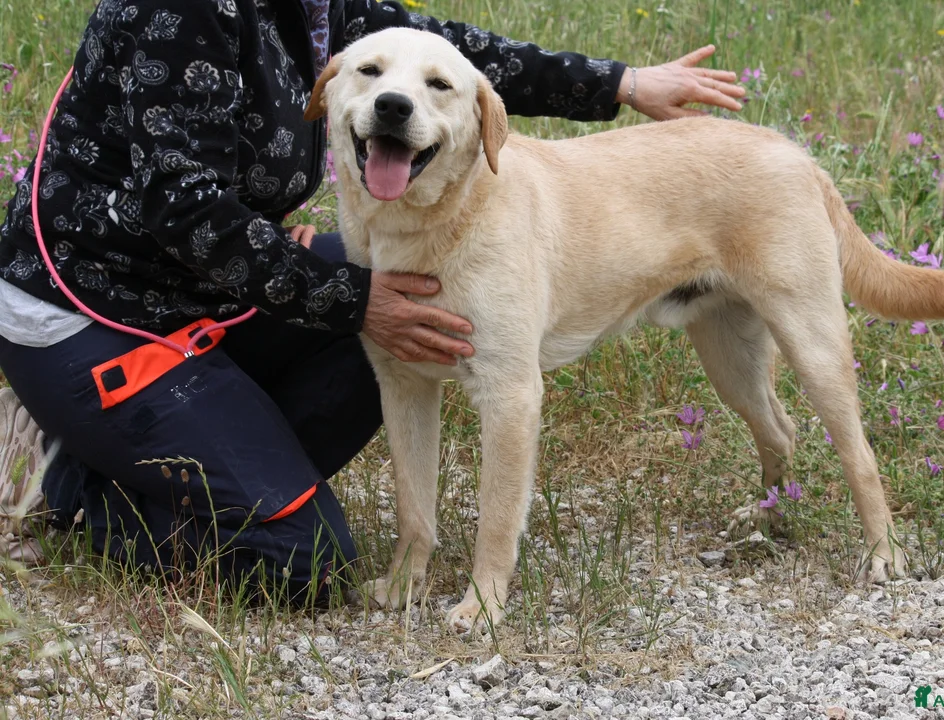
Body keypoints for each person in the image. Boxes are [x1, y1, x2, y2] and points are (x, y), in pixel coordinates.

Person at [0, 0, 744, 604]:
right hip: (94, 316)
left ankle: (186, 460)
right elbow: (185, 213)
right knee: (300, 555)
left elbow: (451, 58)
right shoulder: (175, 10)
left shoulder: (321, 9)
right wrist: (354, 299)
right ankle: (83, 493)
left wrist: (619, 83)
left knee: (411, 316)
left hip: (214, 297)